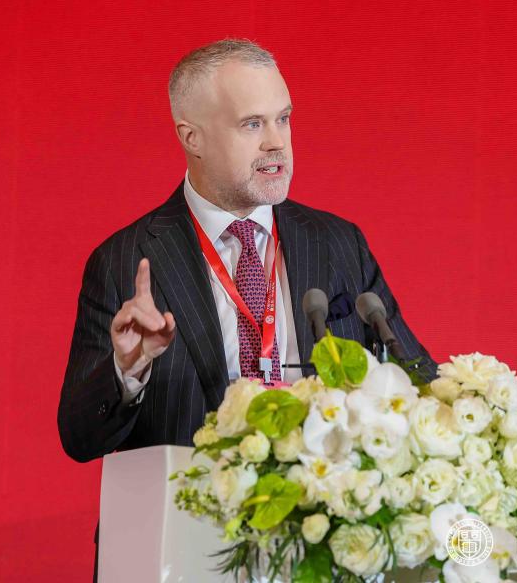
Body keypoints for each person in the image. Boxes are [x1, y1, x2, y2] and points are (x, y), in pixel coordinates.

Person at [58, 38, 437, 464]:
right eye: (252, 124)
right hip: (189, 514)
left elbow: (416, 377)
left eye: (284, 119)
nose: (276, 142)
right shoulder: (123, 261)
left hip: (314, 512)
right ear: (192, 137)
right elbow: (79, 438)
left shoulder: (337, 242)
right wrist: (126, 370)